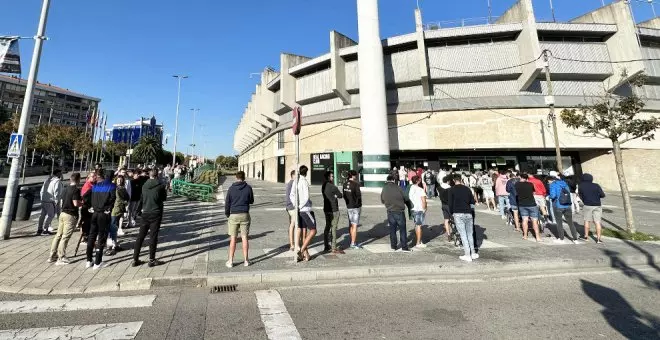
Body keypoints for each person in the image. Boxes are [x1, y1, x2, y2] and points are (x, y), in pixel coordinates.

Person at [133, 169, 168, 267]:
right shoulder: (161, 186)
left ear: (149, 175)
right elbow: (163, 198)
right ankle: (151, 260)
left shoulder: (144, 185)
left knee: (140, 236)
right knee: (153, 237)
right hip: (156, 213)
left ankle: (135, 259)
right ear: (157, 175)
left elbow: (142, 198)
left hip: (145, 212)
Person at [47, 173, 82, 265]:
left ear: (70, 179)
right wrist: (83, 203)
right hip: (70, 214)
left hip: (63, 213)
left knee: (58, 235)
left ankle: (52, 255)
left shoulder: (65, 189)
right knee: (65, 237)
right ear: (78, 180)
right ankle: (61, 257)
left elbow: (62, 200)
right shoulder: (76, 190)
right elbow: (75, 203)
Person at [85, 171, 116, 269]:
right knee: (101, 237)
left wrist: (91, 206)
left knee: (91, 235)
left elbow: (85, 196)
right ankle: (98, 262)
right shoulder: (111, 186)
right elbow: (113, 198)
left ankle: (89, 260)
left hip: (94, 213)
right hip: (103, 214)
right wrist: (108, 208)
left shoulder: (95, 186)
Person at [448, 174, 477, 262]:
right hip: (468, 212)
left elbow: (450, 203)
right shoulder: (467, 189)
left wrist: (451, 213)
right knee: (469, 234)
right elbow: (472, 202)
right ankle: (473, 253)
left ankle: (467, 255)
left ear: (453, 180)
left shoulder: (451, 190)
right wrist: (471, 211)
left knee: (463, 234)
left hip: (458, 213)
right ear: (461, 180)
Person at [381, 174, 412, 251]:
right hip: (399, 211)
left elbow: (382, 200)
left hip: (390, 211)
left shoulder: (384, 188)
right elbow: (406, 198)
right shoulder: (398, 188)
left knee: (392, 229)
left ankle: (393, 246)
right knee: (402, 229)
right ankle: (404, 247)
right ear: (394, 180)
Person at [291, 165, 316, 261]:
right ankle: (301, 251)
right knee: (313, 230)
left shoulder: (295, 181)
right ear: (306, 172)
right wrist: (300, 206)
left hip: (299, 210)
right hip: (305, 209)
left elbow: (292, 194)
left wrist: (295, 205)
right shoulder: (304, 182)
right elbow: (306, 197)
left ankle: (307, 255)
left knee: (303, 232)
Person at [548, 173, 580, 243]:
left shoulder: (553, 185)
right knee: (571, 223)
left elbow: (553, 196)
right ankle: (575, 239)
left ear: (551, 180)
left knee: (559, 223)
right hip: (567, 205)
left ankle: (561, 239)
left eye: (548, 181)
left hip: (558, 205)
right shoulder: (565, 183)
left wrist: (549, 197)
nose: (548, 183)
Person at [578, 173, 606, 244]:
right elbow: (603, 195)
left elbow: (580, 195)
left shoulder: (581, 186)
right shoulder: (596, 185)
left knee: (587, 220)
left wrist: (585, 200)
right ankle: (599, 239)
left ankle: (586, 237)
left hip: (587, 205)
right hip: (597, 205)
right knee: (597, 222)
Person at [515, 174, 542, 242]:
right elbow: (533, 192)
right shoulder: (530, 184)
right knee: (535, 221)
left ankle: (525, 235)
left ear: (520, 177)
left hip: (522, 205)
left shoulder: (517, 184)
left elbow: (515, 193)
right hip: (532, 204)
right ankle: (538, 237)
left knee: (524, 220)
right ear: (527, 179)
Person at [107, 175, 130, 256]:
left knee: (115, 227)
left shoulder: (123, 188)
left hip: (120, 209)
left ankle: (115, 244)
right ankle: (110, 246)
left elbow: (127, 197)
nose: (119, 181)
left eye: (121, 180)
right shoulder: (115, 188)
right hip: (115, 210)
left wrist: (126, 202)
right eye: (118, 180)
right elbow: (118, 199)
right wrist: (125, 202)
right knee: (112, 227)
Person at [322, 171, 344, 254]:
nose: (333, 178)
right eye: (332, 176)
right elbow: (340, 195)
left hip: (326, 209)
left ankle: (326, 246)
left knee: (327, 227)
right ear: (328, 177)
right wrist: (335, 195)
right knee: (334, 228)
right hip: (334, 209)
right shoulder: (333, 187)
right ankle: (334, 247)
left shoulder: (323, 186)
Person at [38, 170, 63, 235]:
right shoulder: (57, 181)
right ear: (58, 174)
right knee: (50, 215)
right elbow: (57, 192)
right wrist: (57, 201)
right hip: (50, 200)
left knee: (42, 215)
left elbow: (42, 190)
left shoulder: (47, 180)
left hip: (44, 200)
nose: (61, 175)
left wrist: (42, 199)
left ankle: (39, 229)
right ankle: (45, 229)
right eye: (61, 173)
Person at [343, 170, 362, 249]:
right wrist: (359, 204)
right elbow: (358, 196)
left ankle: (351, 240)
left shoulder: (344, 184)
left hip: (349, 206)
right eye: (355, 175)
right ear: (353, 176)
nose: (356, 176)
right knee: (354, 225)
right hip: (355, 207)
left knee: (351, 224)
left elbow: (344, 195)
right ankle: (353, 243)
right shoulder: (356, 184)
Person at [409, 175, 428, 249]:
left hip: (413, 209)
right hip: (419, 209)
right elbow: (423, 201)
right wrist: (425, 208)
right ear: (418, 181)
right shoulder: (420, 189)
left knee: (416, 225)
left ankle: (418, 241)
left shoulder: (411, 188)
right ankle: (418, 242)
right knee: (419, 226)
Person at [438, 175, 453, 242]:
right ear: (448, 181)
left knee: (446, 220)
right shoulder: (450, 188)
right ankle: (455, 232)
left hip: (443, 205)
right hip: (450, 205)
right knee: (453, 219)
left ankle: (448, 234)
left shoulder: (439, 188)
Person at [285, 170, 297, 252]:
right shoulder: (292, 183)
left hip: (289, 206)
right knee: (293, 225)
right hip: (292, 207)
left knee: (292, 225)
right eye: (296, 175)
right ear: (293, 175)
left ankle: (292, 243)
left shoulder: (290, 183)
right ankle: (292, 245)